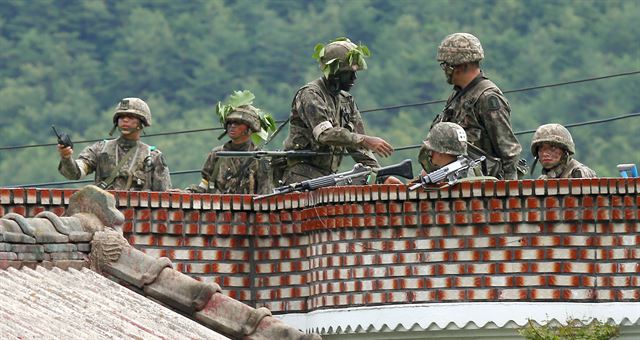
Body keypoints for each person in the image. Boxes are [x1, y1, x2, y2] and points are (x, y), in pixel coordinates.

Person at [281, 37, 398, 185]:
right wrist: (365, 140)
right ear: (335, 73)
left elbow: (358, 146)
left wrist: (382, 175)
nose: (354, 78)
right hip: (301, 177)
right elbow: (325, 135)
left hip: (328, 178)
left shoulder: (347, 101)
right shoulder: (310, 94)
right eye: (349, 73)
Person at [431, 32, 523, 180]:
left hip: (484, 186)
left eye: (447, 65)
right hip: (460, 181)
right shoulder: (458, 95)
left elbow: (509, 150)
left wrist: (509, 191)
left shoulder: (487, 98)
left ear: (463, 65)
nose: (445, 70)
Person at [58, 98, 171, 191]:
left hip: (138, 215)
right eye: (121, 117)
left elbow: (164, 198)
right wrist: (66, 157)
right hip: (103, 213)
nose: (125, 120)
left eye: (130, 117)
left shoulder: (153, 156)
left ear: (142, 122)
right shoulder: (100, 149)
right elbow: (76, 173)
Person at [186, 90, 275, 194]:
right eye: (230, 123)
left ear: (250, 128)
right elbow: (204, 186)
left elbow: (265, 194)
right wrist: (187, 192)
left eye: (238, 123)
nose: (232, 126)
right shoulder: (217, 154)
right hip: (220, 207)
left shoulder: (259, 157)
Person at [414, 122, 484, 184]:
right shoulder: (471, 169)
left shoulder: (460, 178)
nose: (430, 154)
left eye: (431, 150)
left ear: (439, 152)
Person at [530, 123, 596, 179]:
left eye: (552, 148)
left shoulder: (579, 173)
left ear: (565, 151)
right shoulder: (543, 179)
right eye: (541, 148)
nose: (545, 154)